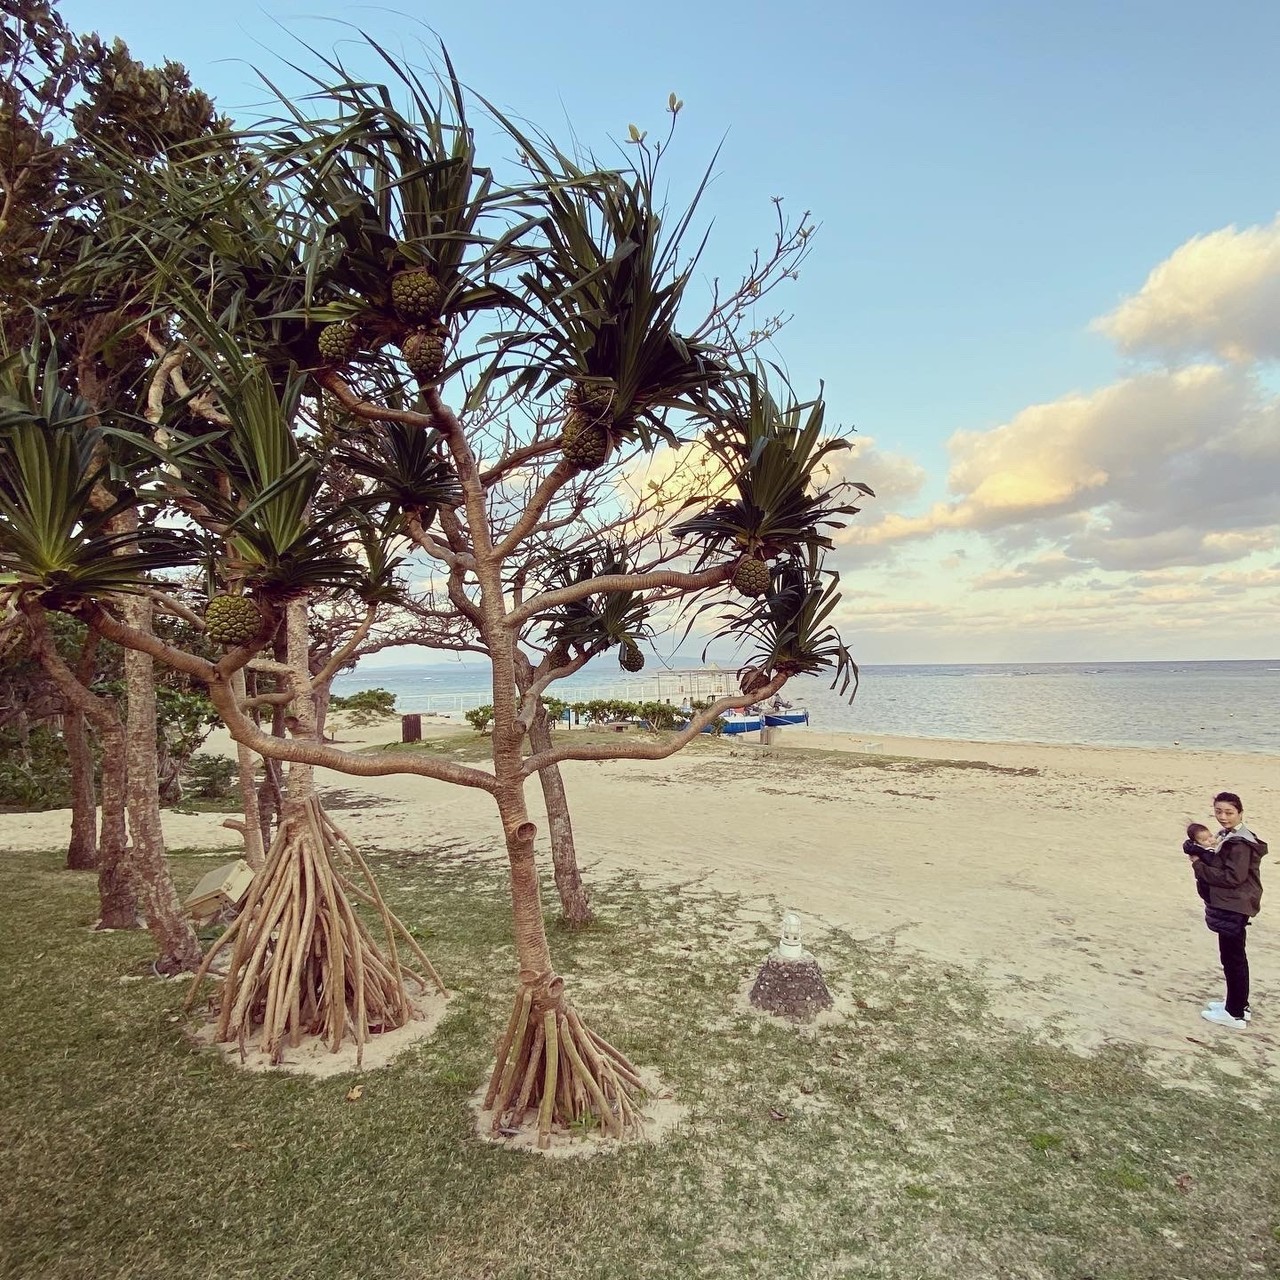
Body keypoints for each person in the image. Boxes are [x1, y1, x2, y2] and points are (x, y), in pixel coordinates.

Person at [1185, 792, 1267, 1028]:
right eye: (1218, 811)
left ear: (1240, 812)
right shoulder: (1227, 836)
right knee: (1233, 956)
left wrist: (1198, 865)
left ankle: (1234, 1014)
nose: (1223, 817)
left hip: (1235, 904)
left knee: (1233, 958)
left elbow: (1233, 877)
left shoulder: (1240, 842)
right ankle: (1238, 1004)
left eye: (1229, 812)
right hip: (1233, 903)